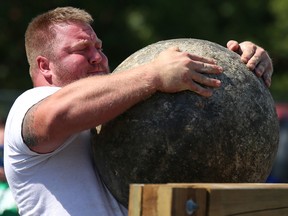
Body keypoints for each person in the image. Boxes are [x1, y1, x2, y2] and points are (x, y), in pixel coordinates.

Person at [3, 6, 273, 216]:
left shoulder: (114, 107)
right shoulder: (29, 105)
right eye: (82, 49)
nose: (98, 57)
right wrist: (154, 74)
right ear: (45, 66)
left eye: (99, 47)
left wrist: (240, 67)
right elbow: (56, 115)